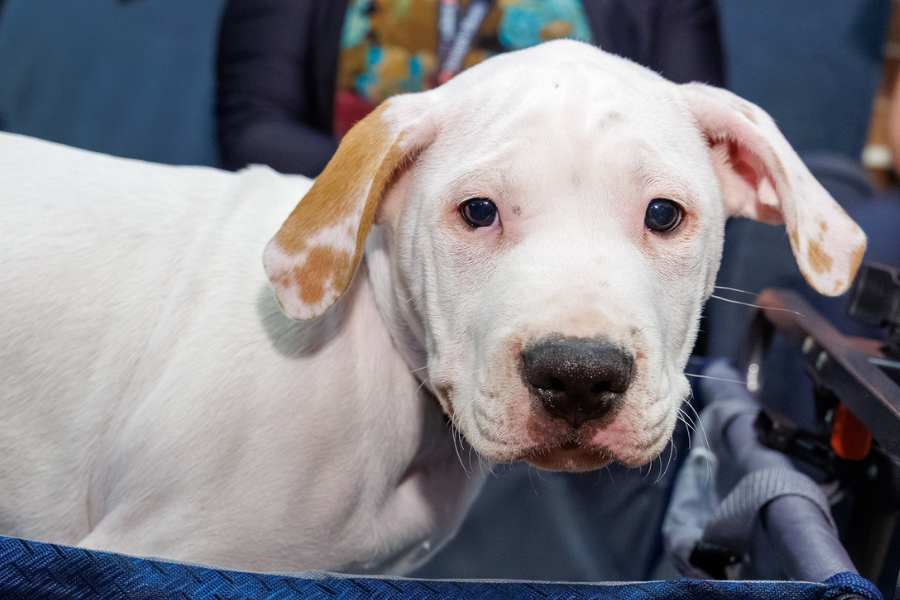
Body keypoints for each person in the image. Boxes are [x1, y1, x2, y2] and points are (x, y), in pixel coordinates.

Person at [216, 0, 724, 178]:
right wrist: (425, 187)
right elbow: (254, 129)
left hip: (581, 263)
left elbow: (692, 143)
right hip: (363, 264)